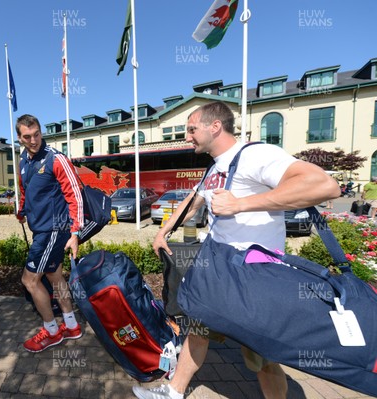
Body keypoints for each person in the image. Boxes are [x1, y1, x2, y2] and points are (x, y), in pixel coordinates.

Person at [133, 101, 340, 399]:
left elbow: (323, 185)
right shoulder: (214, 167)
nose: (187, 136)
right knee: (198, 330)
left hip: (254, 276)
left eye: (191, 129)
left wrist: (241, 204)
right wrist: (163, 232)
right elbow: (193, 202)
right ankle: (174, 392)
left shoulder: (256, 154)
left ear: (214, 126)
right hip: (221, 271)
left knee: (261, 357)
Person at [15, 114, 84, 352]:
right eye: (27, 136)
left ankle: (52, 331)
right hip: (41, 229)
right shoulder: (23, 159)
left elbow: (75, 194)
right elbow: (25, 190)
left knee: (30, 280)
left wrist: (75, 231)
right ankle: (72, 325)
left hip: (54, 230)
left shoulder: (56, 158)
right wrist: (22, 210)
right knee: (54, 277)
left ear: (41, 131)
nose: (33, 140)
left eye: (36, 134)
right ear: (19, 138)